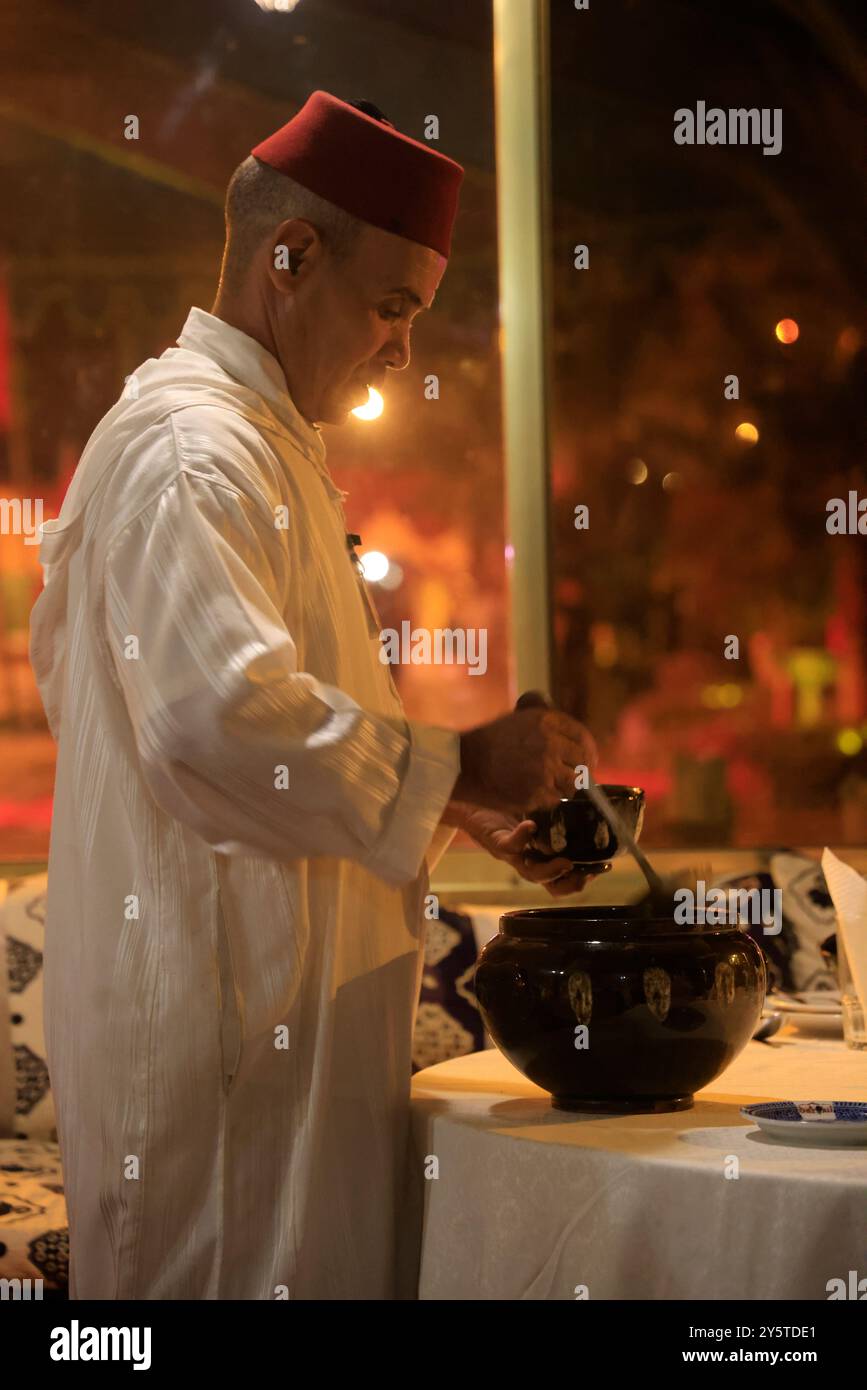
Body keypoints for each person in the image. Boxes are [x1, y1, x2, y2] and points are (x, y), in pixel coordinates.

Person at [29, 90, 596, 1300]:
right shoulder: (194, 452)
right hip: (214, 1070)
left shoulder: (259, 444)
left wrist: (454, 810)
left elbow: (267, 750)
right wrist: (466, 760)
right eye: (393, 307)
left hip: (273, 1052)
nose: (404, 348)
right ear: (291, 256)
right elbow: (216, 726)